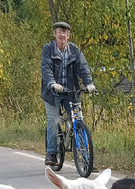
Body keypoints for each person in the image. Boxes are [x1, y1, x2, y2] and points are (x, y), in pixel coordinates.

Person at [41, 21, 94, 169]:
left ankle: (86, 158)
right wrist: (52, 83)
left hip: (71, 91)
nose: (62, 35)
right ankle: (51, 153)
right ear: (55, 34)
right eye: (59, 32)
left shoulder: (74, 50)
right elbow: (46, 69)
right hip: (53, 92)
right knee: (53, 120)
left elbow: (83, 67)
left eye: (65, 32)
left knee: (78, 120)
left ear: (68, 35)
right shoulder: (48, 49)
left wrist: (89, 83)